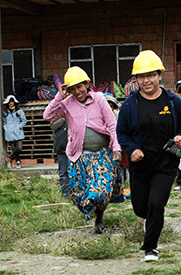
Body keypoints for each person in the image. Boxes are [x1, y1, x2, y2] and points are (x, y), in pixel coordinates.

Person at [116, 50, 181, 262]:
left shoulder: (173, 102)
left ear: (159, 75)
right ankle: (153, 223)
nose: (146, 80)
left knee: (156, 204)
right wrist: (131, 149)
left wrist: (180, 137)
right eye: (141, 76)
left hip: (166, 164)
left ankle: (151, 248)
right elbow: (122, 133)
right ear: (136, 79)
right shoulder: (130, 105)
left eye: (150, 75)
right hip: (140, 165)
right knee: (141, 208)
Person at [43, 66, 124, 234]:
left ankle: (99, 217)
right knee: (78, 195)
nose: (77, 91)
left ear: (87, 84)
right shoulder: (66, 104)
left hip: (101, 154)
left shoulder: (100, 99)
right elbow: (47, 116)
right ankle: (92, 212)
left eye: (79, 86)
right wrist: (60, 94)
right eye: (72, 88)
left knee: (100, 190)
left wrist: (116, 147)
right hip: (79, 156)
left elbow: (112, 125)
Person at [2, 95, 27, 169]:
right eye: (9, 102)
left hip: (18, 132)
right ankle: (18, 162)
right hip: (9, 133)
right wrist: (6, 128)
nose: (11, 103)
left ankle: (10, 159)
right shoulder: (5, 112)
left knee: (19, 148)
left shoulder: (19, 110)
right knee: (13, 149)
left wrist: (19, 126)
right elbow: (4, 122)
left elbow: (24, 120)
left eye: (12, 101)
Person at [50, 118, 70, 198]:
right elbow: (53, 126)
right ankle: (65, 194)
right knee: (63, 172)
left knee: (76, 171)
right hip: (62, 147)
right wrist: (63, 118)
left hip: (75, 147)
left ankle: (76, 193)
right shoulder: (57, 113)